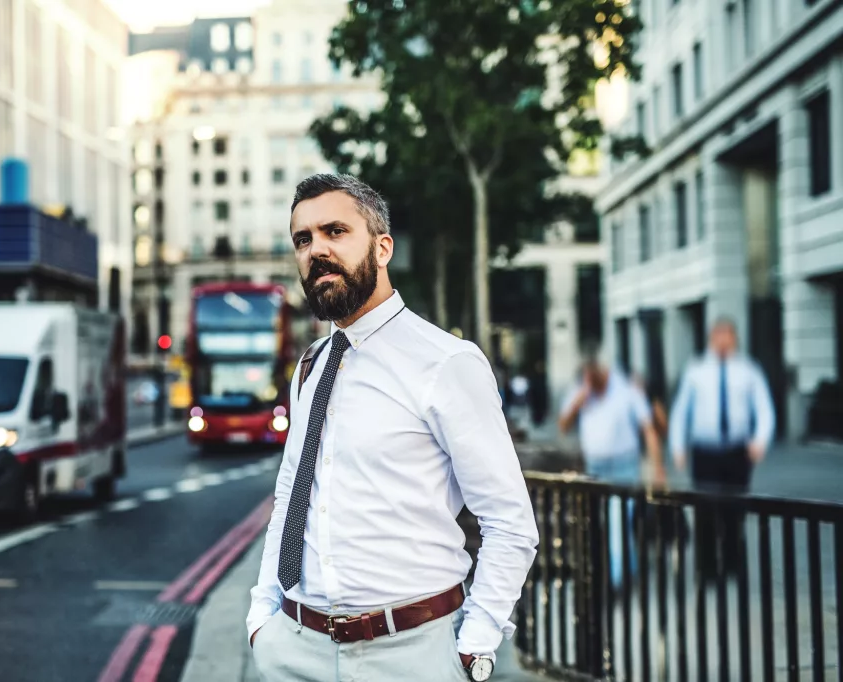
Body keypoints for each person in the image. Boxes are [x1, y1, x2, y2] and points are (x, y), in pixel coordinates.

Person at [246, 174, 538, 682]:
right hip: (293, 650)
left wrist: (473, 648)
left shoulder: (448, 363)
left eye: (335, 231)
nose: (316, 250)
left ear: (382, 249)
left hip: (410, 656)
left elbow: (510, 523)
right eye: (303, 239)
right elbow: (291, 499)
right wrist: (262, 618)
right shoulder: (311, 365)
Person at [668, 316, 775, 577]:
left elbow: (764, 407)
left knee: (734, 509)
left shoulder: (749, 370)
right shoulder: (696, 370)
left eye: (728, 334)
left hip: (737, 451)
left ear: (735, 337)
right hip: (705, 451)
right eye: (718, 334)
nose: (723, 340)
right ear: (711, 338)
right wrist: (678, 445)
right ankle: (706, 567)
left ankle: (732, 562)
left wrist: (760, 440)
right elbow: (681, 411)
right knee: (704, 509)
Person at [557, 347, 664, 589]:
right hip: (595, 468)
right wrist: (581, 397)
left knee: (618, 523)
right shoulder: (582, 390)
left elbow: (648, 429)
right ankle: (630, 570)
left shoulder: (626, 390)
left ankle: (616, 582)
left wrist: (658, 468)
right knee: (612, 525)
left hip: (624, 467)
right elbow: (563, 424)